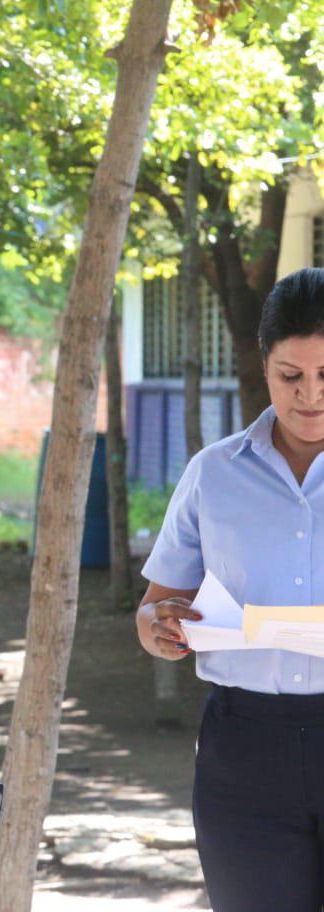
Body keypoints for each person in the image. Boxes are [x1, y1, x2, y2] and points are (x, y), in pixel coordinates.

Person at [136, 267, 324, 912]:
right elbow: (157, 605)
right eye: (290, 376)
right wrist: (158, 628)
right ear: (264, 365)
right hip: (243, 751)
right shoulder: (213, 473)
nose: (311, 396)